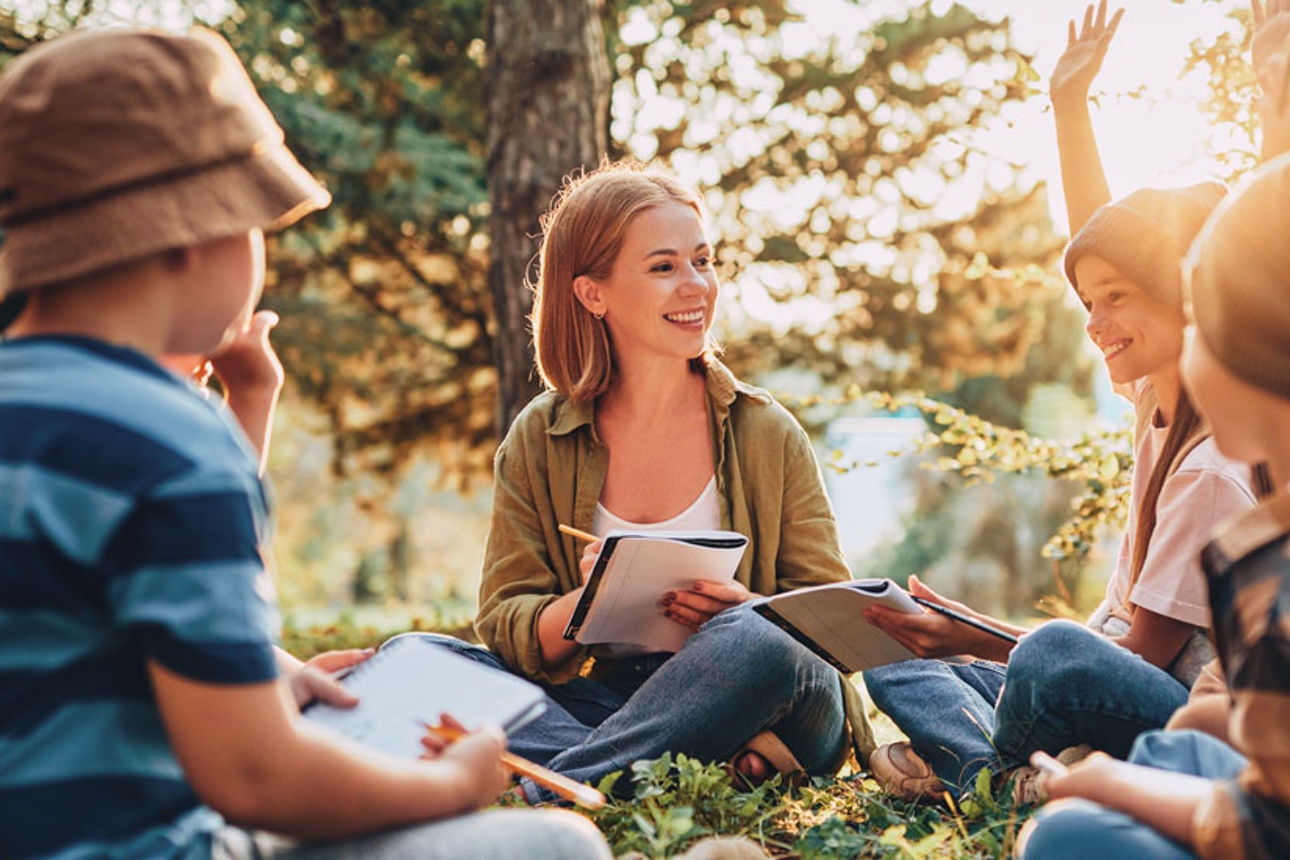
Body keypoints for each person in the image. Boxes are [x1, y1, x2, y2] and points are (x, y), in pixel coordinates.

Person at [0, 28, 610, 860]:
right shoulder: (172, 438)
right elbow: (256, 780)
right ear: (191, 233)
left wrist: (260, 678)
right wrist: (452, 785)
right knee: (561, 846)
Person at [860, 1, 1267, 803]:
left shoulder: (1213, 468)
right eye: (1089, 302)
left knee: (1048, 656)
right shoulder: (1160, 396)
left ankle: (992, 778)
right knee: (898, 657)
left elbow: (1134, 663)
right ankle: (1015, 772)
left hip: (1174, 713)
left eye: (1116, 301)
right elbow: (1109, 240)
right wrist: (1069, 108)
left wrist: (977, 634)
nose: (1094, 322)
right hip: (1097, 680)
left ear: (1187, 298)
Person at [418, 160, 873, 803]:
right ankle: (682, 761)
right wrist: (591, 602)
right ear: (591, 294)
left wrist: (746, 610)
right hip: (607, 697)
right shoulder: (540, 438)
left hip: (768, 693)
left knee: (761, 644)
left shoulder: (766, 432)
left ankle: (558, 786)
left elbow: (831, 624)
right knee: (421, 657)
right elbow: (506, 621)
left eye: (703, 261)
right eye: (663, 268)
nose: (695, 286)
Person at [1019, 149, 1290, 860]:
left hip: (1256, 804)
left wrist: (1114, 785)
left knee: (1067, 833)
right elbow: (1111, 239)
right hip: (1228, 752)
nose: (1097, 320)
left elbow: (1265, 825)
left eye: (1204, 321)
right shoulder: (1258, 531)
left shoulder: (1237, 514)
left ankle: (1020, 777)